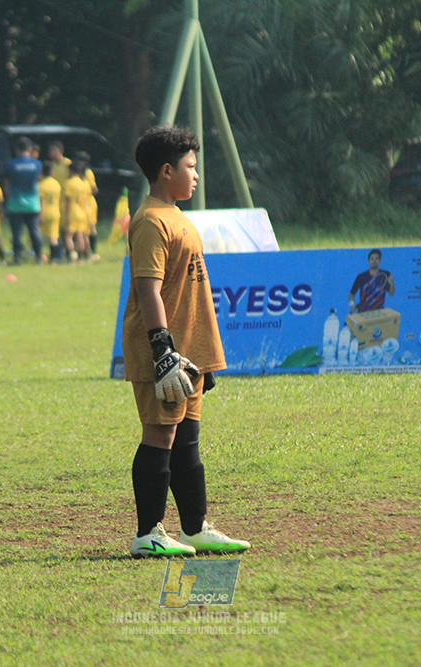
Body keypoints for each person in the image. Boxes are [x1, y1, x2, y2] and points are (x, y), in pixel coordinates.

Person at [122, 125, 250, 558]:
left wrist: (199, 357)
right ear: (165, 170)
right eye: (190, 166)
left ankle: (194, 528)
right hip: (164, 352)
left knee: (187, 442)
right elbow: (147, 290)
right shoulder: (151, 221)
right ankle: (148, 533)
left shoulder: (178, 217)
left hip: (189, 354)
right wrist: (162, 351)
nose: (196, 174)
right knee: (159, 437)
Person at [4, 137, 44, 264]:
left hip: (16, 204)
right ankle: (38, 257)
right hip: (33, 204)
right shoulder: (37, 164)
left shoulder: (10, 164)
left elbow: (6, 182)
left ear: (17, 150)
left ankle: (17, 258)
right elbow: (39, 179)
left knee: (17, 233)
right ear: (31, 149)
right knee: (34, 231)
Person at [62, 157, 91, 262]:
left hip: (73, 211)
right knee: (80, 235)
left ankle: (71, 254)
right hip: (82, 211)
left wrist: (66, 215)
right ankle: (81, 255)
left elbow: (68, 201)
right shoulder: (83, 183)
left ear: (70, 171)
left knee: (68, 235)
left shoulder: (69, 183)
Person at [349, 248, 395, 313]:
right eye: (372, 259)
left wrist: (392, 283)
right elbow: (351, 294)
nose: (374, 261)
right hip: (363, 313)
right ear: (368, 261)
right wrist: (352, 305)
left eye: (377, 259)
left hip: (379, 314)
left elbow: (391, 293)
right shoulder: (361, 277)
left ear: (380, 261)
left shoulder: (385, 275)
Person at [74, 150, 101, 260]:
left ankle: (92, 251)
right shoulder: (77, 174)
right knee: (82, 227)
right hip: (81, 202)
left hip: (89, 203)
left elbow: (94, 189)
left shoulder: (88, 173)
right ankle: (83, 250)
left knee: (90, 226)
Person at [39, 162, 63, 263]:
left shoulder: (41, 185)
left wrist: (40, 216)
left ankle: (41, 256)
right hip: (55, 212)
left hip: (45, 212)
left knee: (39, 236)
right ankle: (54, 259)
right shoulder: (57, 184)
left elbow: (42, 202)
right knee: (53, 237)